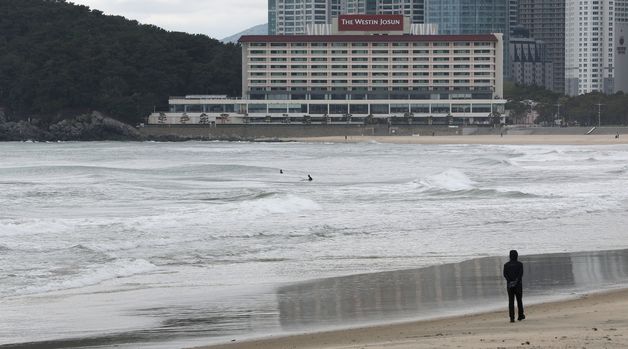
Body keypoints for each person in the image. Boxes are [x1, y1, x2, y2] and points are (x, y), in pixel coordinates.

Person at [503, 250, 525, 323]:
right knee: (519, 300)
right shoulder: (520, 264)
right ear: (517, 256)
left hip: (509, 285)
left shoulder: (506, 265)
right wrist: (516, 281)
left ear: (509, 256)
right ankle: (520, 316)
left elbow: (505, 275)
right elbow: (520, 275)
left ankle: (512, 318)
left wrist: (510, 281)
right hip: (518, 285)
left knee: (511, 301)